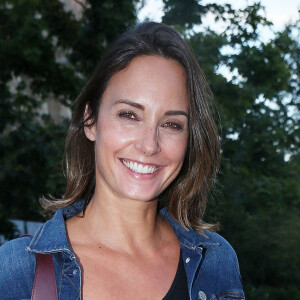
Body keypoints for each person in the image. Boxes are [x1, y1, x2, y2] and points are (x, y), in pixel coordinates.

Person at [0, 22, 244, 300]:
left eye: (172, 124)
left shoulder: (215, 261)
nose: (149, 145)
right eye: (129, 115)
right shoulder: (15, 272)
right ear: (90, 120)